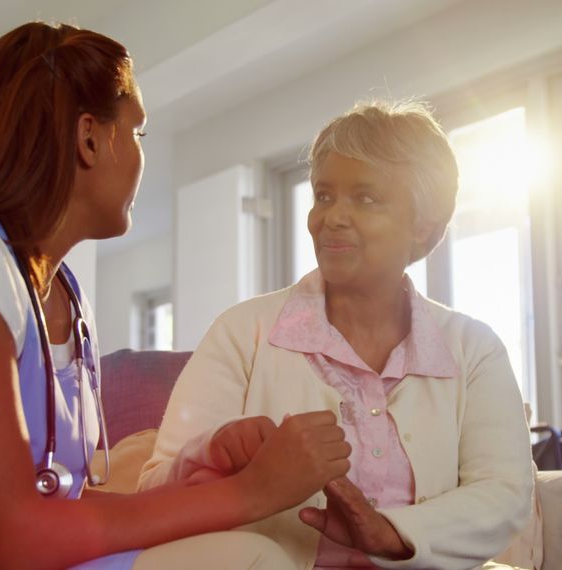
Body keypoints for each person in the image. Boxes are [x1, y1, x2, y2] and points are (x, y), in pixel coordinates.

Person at [0, 22, 350, 569]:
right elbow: (15, 538)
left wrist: (207, 478)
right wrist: (251, 494)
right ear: (90, 138)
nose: (141, 155)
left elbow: (58, 508)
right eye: (139, 133)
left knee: (249, 552)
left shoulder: (61, 296)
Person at [140, 100, 534, 569]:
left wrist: (391, 534)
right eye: (324, 196)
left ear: (422, 226)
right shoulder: (242, 332)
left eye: (365, 198)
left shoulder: (475, 349)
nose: (332, 217)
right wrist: (213, 455)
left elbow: (504, 492)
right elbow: (152, 492)